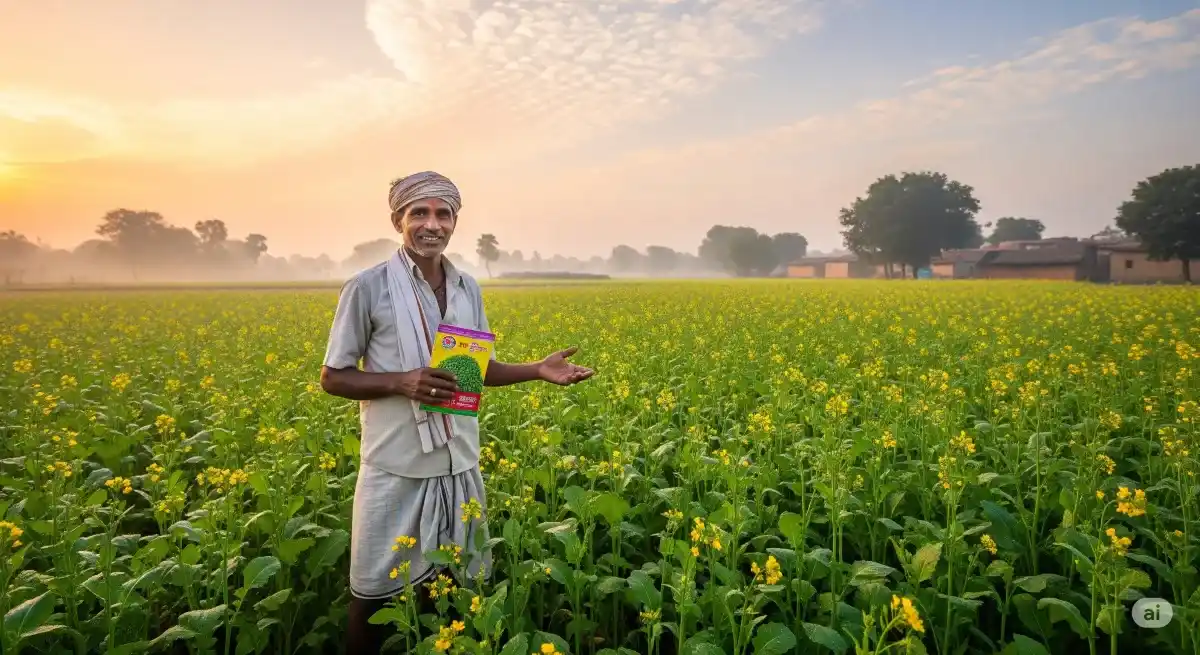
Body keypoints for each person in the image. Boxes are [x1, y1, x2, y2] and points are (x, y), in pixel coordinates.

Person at [320, 171, 594, 654]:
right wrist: (402, 381)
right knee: (373, 593)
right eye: (418, 213)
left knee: (451, 589)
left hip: (458, 461)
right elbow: (334, 376)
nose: (432, 224)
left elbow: (474, 370)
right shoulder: (367, 287)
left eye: (442, 214)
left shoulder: (467, 287)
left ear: (454, 221)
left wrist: (537, 369)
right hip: (395, 465)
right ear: (397, 220)